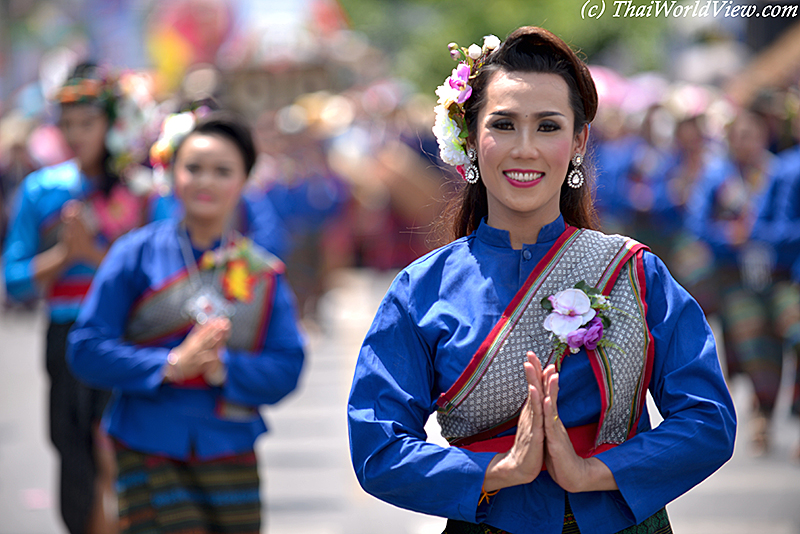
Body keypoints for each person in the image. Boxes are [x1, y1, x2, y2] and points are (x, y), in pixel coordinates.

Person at [347, 27, 736, 534]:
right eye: (504, 125)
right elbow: (377, 445)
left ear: (578, 141)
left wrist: (593, 472)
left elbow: (708, 420)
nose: (525, 149)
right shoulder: (422, 290)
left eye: (548, 127)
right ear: (469, 136)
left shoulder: (636, 272)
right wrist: (497, 471)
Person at [67, 111, 305, 533]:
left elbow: (287, 366)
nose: (206, 181)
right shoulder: (134, 254)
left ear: (245, 180)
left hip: (229, 446)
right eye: (193, 168)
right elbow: (85, 348)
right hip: (147, 442)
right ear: (171, 173)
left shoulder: (260, 271)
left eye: (222, 171)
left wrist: (221, 368)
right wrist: (171, 364)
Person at [2, 63, 146, 534]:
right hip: (64, 332)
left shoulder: (138, 189)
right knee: (72, 451)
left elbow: (154, 276)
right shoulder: (41, 189)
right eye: (67, 125)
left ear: (111, 123)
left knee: (118, 452)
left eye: (87, 123)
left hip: (124, 334)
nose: (76, 134)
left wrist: (92, 253)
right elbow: (15, 278)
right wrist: (66, 254)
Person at [687, 108, 800, 455]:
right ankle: (762, 416)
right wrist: (730, 236)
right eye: (737, 135)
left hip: (780, 277)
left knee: (793, 336)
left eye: (750, 134)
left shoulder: (777, 171)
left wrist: (760, 234)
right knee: (755, 349)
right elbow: (697, 224)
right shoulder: (717, 175)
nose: (743, 142)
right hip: (736, 276)